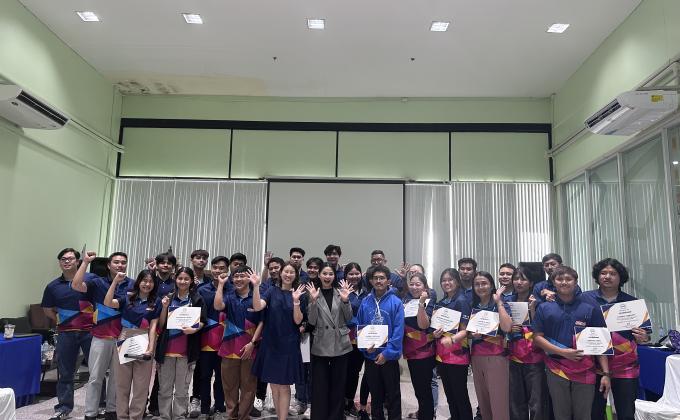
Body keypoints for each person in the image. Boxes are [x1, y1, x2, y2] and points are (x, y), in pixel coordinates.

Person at [532, 266, 611, 420]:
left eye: (568, 279)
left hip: (586, 368)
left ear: (575, 282)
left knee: (584, 415)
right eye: (559, 279)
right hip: (556, 368)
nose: (564, 282)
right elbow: (537, 338)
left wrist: (606, 374)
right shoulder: (544, 308)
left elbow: (601, 343)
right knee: (561, 415)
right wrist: (563, 352)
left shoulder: (590, 308)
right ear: (553, 283)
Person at [582, 258, 649, 420]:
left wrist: (644, 337)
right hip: (593, 364)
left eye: (612, 273)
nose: (607, 276)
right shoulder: (584, 299)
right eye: (603, 273)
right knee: (594, 413)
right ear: (597, 276)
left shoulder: (633, 302)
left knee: (626, 413)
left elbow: (646, 336)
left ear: (620, 277)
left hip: (626, 366)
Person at [72, 251, 134, 420]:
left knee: (117, 378)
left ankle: (112, 410)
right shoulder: (97, 282)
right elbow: (76, 285)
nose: (120, 265)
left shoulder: (132, 284)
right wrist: (85, 262)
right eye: (116, 262)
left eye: (123, 262)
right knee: (95, 377)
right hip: (100, 336)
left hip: (123, 337)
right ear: (108, 265)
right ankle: (90, 412)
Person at [41, 248, 96, 420]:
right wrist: (63, 320)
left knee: (97, 371)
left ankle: (100, 405)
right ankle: (64, 407)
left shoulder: (91, 280)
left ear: (78, 261)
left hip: (91, 332)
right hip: (66, 333)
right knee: (65, 372)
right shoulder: (53, 286)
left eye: (70, 258)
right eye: (63, 259)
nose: (66, 261)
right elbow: (47, 309)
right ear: (59, 263)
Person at [251, 262, 307, 420]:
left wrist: (296, 301)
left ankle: (282, 418)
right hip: (270, 343)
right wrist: (256, 286)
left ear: (296, 275)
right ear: (280, 273)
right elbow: (257, 306)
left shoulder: (299, 294)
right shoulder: (271, 291)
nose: (288, 275)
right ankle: (279, 416)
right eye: (286, 271)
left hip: (289, 344)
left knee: (284, 385)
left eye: (292, 272)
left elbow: (298, 321)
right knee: (274, 384)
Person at [104, 269, 160, 420]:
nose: (147, 284)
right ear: (138, 282)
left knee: (141, 386)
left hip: (144, 340)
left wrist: (150, 349)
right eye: (144, 280)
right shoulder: (128, 297)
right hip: (125, 338)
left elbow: (153, 328)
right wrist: (115, 282)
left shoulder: (156, 302)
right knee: (122, 384)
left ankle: (136, 417)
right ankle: (122, 416)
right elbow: (108, 302)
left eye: (151, 281)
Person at [155, 267, 207, 420]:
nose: (183, 281)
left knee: (182, 389)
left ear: (191, 281)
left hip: (186, 351)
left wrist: (194, 329)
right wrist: (164, 308)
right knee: (164, 388)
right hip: (167, 351)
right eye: (180, 278)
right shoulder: (168, 298)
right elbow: (161, 324)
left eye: (186, 279)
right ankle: (164, 416)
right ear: (175, 279)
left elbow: (203, 321)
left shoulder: (197, 299)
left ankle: (179, 416)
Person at [214, 266, 264, 420]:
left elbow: (262, 322)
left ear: (249, 278)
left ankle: (244, 416)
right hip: (229, 348)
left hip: (250, 349)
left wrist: (253, 343)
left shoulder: (256, 297)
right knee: (229, 386)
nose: (239, 279)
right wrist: (220, 285)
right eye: (236, 276)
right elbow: (217, 306)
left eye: (242, 276)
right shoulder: (229, 296)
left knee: (249, 386)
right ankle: (232, 416)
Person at [305, 263, 354, 420]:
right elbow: (311, 321)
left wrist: (346, 301)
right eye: (324, 273)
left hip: (340, 344)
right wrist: (313, 302)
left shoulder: (341, 293)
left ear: (334, 276)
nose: (327, 277)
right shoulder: (314, 293)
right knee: (319, 385)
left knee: (338, 385)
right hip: (320, 345)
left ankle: (336, 417)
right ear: (319, 275)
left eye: (330, 274)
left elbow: (349, 318)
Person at [356, 265, 405, 420]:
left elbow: (398, 331)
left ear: (388, 281)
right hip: (371, 357)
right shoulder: (365, 302)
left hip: (389, 358)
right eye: (375, 278)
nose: (379, 281)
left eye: (382, 278)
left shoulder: (396, 302)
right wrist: (365, 348)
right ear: (370, 281)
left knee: (393, 395)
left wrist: (387, 353)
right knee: (375, 395)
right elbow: (360, 326)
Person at [504, 266, 547, 420]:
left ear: (531, 283)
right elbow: (503, 327)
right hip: (514, 356)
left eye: (523, 279)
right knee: (516, 401)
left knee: (536, 402)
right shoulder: (508, 302)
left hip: (534, 357)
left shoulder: (538, 302)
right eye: (516, 278)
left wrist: (533, 309)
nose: (519, 282)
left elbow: (541, 329)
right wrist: (509, 328)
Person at [469, 271, 512, 420]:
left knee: (499, 401)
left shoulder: (500, 302)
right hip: (476, 356)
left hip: (496, 356)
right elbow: (467, 331)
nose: (480, 287)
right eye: (477, 284)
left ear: (491, 285)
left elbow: (507, 327)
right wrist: (472, 334)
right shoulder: (473, 305)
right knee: (484, 401)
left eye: (484, 283)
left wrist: (499, 302)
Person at [433, 268, 473, 420]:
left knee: (460, 395)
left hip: (457, 356)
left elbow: (466, 330)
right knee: (450, 395)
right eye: (444, 280)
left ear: (457, 282)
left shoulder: (461, 301)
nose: (447, 283)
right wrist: (436, 334)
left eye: (450, 280)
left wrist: (452, 339)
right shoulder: (441, 303)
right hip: (442, 354)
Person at [195, 257, 230, 418]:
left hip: (226, 341)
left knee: (222, 378)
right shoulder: (202, 290)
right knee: (204, 376)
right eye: (215, 267)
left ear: (227, 270)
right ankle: (204, 409)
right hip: (206, 340)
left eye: (222, 268)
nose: (218, 271)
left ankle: (219, 408)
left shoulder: (233, 289)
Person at [402, 273, 436, 420]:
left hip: (424, 352)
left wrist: (421, 303)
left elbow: (423, 325)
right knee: (418, 389)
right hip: (411, 352)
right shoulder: (406, 301)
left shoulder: (429, 301)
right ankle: (423, 414)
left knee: (424, 390)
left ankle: (427, 416)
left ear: (425, 287)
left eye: (418, 284)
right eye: (412, 284)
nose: (414, 287)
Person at [343, 262, 371, 419]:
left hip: (365, 339)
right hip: (347, 339)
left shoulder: (368, 292)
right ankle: (343, 403)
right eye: (350, 274)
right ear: (345, 276)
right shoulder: (342, 292)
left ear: (362, 275)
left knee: (358, 373)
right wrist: (356, 322)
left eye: (356, 273)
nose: (354, 276)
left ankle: (352, 403)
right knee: (347, 372)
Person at [189, 249, 210, 417]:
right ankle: (194, 398)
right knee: (193, 367)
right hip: (186, 327)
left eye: (204, 258)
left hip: (205, 327)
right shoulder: (184, 277)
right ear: (192, 259)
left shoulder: (210, 280)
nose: (201, 260)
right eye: (198, 257)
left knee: (203, 367)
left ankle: (204, 401)